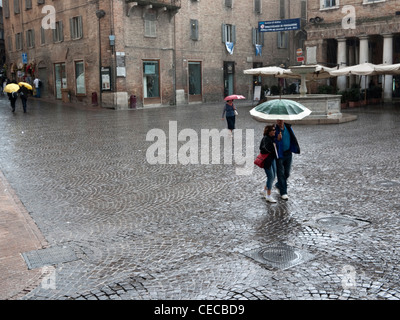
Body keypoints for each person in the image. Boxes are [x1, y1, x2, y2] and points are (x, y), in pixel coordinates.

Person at [274, 120, 300, 200]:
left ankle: (279, 184)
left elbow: (292, 138)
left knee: (287, 173)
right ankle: (283, 192)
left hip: (288, 153)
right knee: (280, 173)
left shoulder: (288, 127)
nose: (279, 122)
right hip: (280, 154)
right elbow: (271, 141)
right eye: (278, 120)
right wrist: (277, 139)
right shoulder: (275, 129)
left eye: (281, 120)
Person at [259, 125, 278, 203]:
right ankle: (268, 196)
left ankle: (264, 190)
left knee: (273, 176)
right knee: (270, 177)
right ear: (269, 131)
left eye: (274, 130)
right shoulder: (266, 139)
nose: (274, 131)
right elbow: (264, 149)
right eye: (273, 130)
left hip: (272, 159)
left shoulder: (272, 138)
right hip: (267, 161)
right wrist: (274, 146)